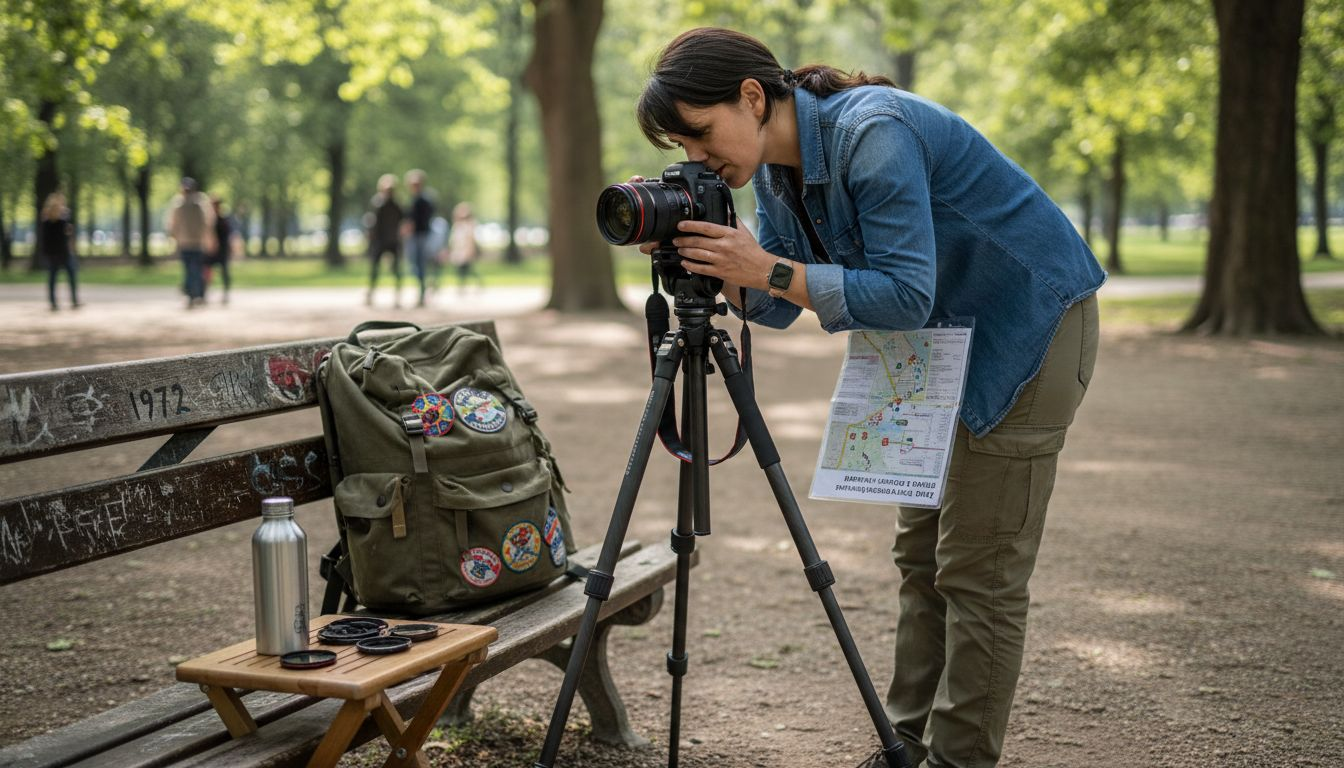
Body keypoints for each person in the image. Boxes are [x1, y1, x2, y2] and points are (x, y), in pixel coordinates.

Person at [632, 28, 1105, 768]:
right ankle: (905, 745)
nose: (697, 159)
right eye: (682, 146)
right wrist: (713, 263)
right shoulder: (780, 170)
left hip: (1027, 330)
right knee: (920, 559)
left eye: (699, 134)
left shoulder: (872, 131)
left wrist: (765, 268)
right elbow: (781, 303)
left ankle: (957, 760)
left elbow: (905, 294)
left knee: (979, 570)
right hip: (932, 346)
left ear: (753, 97)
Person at [165, 177, 216, 309]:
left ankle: (192, 293)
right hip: (195, 242)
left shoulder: (178, 203)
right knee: (195, 269)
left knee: (190, 269)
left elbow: (172, 224)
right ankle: (196, 293)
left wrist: (174, 237)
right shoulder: (201, 202)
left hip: (187, 242)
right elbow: (209, 222)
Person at [365, 174, 404, 307]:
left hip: (393, 240)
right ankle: (370, 294)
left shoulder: (396, 203)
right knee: (374, 268)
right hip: (380, 240)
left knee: (396, 269)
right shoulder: (377, 202)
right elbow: (372, 222)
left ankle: (397, 296)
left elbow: (402, 220)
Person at [40, 192, 79, 311]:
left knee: (58, 277)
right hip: (59, 252)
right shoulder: (59, 221)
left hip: (59, 252)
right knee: (62, 276)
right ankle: (64, 301)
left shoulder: (51, 220)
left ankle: (58, 302)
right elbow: (65, 235)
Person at [402, 169, 435, 307]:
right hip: (415, 236)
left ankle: (423, 292)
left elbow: (421, 219)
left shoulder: (424, 200)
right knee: (415, 265)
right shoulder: (414, 199)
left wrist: (411, 227)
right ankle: (423, 289)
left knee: (419, 264)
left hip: (420, 236)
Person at [445, 202, 483, 293]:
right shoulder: (457, 225)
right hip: (458, 251)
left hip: (465, 250)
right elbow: (454, 240)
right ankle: (462, 286)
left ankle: (468, 285)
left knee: (467, 269)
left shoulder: (469, 225)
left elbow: (470, 239)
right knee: (461, 270)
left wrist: (470, 250)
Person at [206, 196, 237, 304]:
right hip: (210, 250)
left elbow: (229, 234)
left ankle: (225, 293)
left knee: (224, 272)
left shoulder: (223, 219)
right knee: (207, 271)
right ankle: (204, 292)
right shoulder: (208, 219)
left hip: (222, 249)